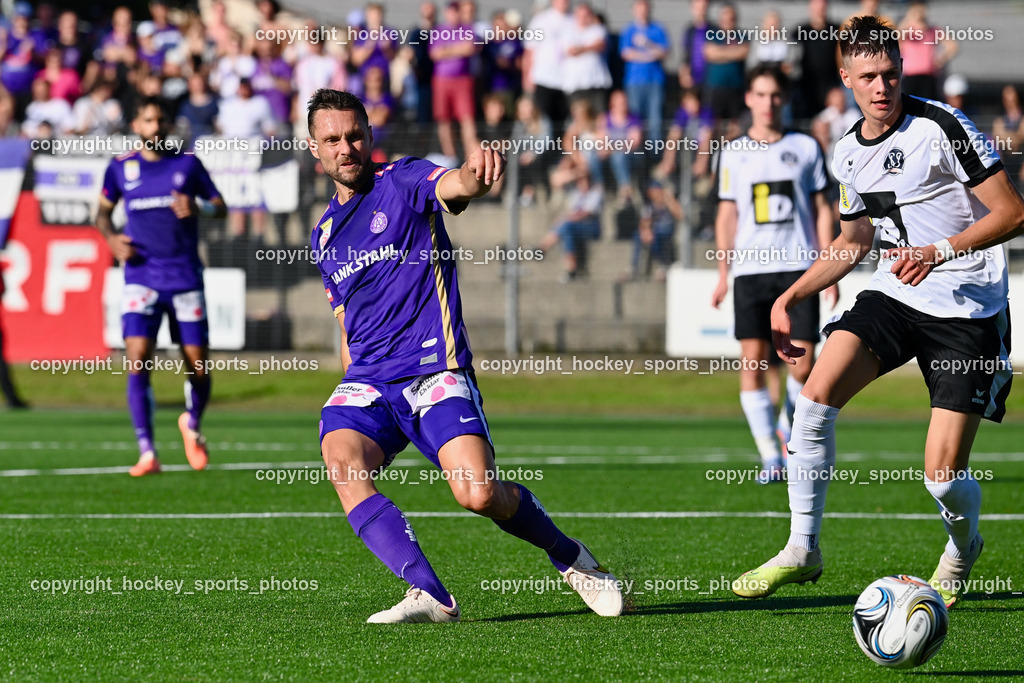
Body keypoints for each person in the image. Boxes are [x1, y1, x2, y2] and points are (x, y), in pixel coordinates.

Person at [733, 16, 1024, 607]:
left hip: (968, 308)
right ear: (845, 78)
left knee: (941, 478)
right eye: (867, 77)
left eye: (890, 74)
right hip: (896, 293)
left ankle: (963, 548)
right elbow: (854, 240)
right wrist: (793, 294)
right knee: (814, 399)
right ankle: (801, 547)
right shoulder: (845, 151)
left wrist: (939, 251)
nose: (882, 87)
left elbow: (1013, 212)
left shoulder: (944, 124)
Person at [304, 88, 623, 622]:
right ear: (314, 149)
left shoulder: (401, 180)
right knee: (341, 461)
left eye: (354, 134)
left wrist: (476, 173)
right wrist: (355, 389)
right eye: (332, 139)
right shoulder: (324, 236)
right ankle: (430, 593)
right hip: (368, 382)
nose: (346, 147)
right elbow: (346, 322)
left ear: (369, 135)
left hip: (433, 370)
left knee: (477, 494)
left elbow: (455, 186)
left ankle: (574, 561)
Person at [711, 64, 838, 484]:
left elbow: (823, 209)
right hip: (750, 271)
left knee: (803, 366)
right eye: (760, 95)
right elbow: (727, 212)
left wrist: (830, 268)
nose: (768, 103)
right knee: (753, 362)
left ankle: (785, 428)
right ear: (749, 98)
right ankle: (769, 454)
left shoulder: (805, 146)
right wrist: (722, 271)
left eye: (775, 95)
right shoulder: (733, 151)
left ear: (784, 100)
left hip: (799, 269)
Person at [96, 96, 227, 476]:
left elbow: (221, 206)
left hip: (184, 276)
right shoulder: (120, 169)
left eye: (160, 120)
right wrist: (110, 239)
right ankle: (147, 450)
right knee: (137, 360)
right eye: (147, 120)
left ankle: (192, 424)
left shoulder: (187, 164)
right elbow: (102, 214)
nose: (154, 127)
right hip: (141, 275)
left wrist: (198, 206)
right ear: (136, 126)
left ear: (168, 126)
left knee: (198, 367)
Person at [619, 0, 669, 139]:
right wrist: (650, 55)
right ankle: (638, 155)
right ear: (634, 10)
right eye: (639, 8)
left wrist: (646, 43)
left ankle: (655, 154)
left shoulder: (658, 29)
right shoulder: (628, 30)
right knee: (636, 121)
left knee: (655, 119)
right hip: (634, 81)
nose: (642, 11)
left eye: (645, 8)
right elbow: (626, 54)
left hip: (655, 80)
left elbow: (664, 52)